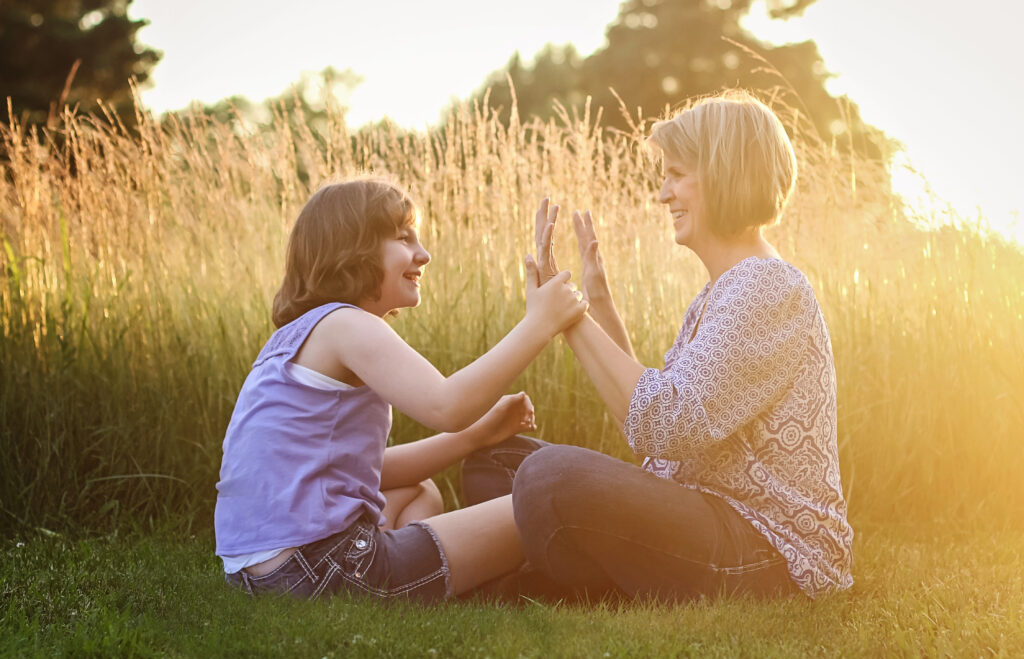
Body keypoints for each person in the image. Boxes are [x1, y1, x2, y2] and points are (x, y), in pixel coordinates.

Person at [462, 91, 854, 602]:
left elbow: (664, 425)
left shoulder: (766, 288)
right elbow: (657, 430)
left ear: (723, 173)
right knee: (494, 463)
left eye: (677, 174)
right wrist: (596, 305)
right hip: (704, 512)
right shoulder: (724, 288)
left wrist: (571, 317)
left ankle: (557, 577)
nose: (663, 194)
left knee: (545, 477)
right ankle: (576, 574)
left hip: (768, 549)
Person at [214, 178, 588, 602]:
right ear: (351, 251)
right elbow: (447, 404)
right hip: (320, 568)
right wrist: (541, 322)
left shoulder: (291, 341)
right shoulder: (348, 325)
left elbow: (366, 469)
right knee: (549, 502)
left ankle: (415, 583)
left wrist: (477, 436)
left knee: (421, 489)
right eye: (403, 237)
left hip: (262, 572)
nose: (423, 253)